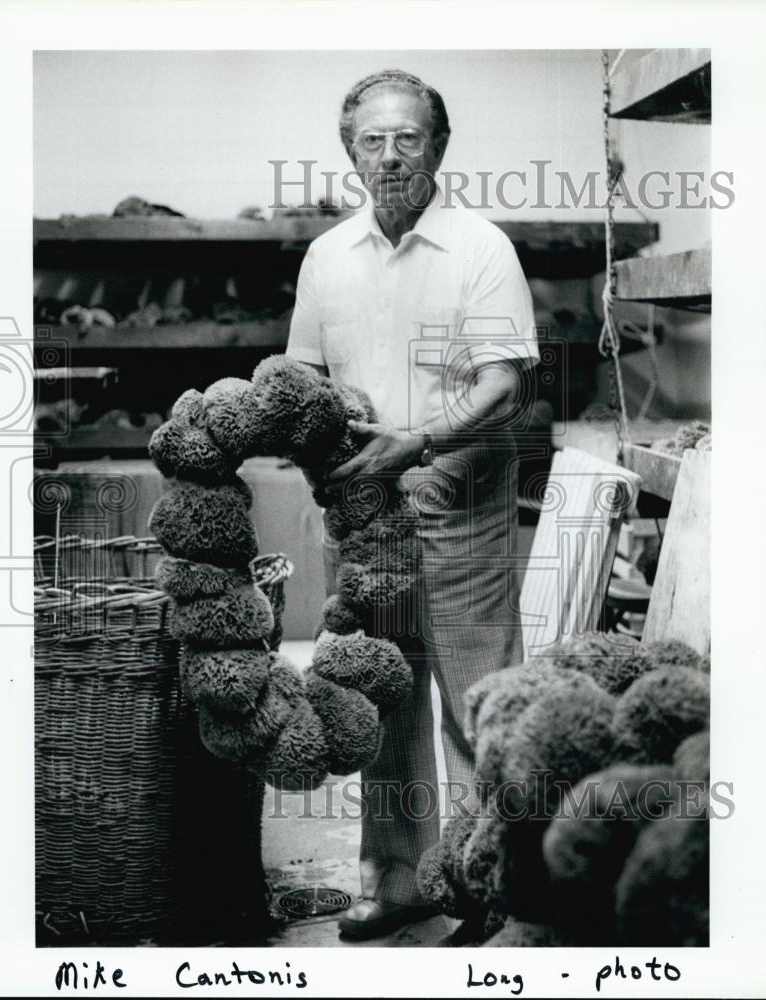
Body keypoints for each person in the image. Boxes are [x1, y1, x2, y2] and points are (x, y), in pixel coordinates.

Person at [285, 68, 539, 940]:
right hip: (365, 520)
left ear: (438, 146)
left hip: (459, 505)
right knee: (384, 701)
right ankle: (397, 884)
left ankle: (487, 891)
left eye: (409, 139)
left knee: (478, 703)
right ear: (349, 149)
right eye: (372, 141)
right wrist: (321, 436)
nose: (390, 157)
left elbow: (504, 384)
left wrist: (418, 440)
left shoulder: (479, 248)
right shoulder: (327, 257)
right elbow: (305, 383)